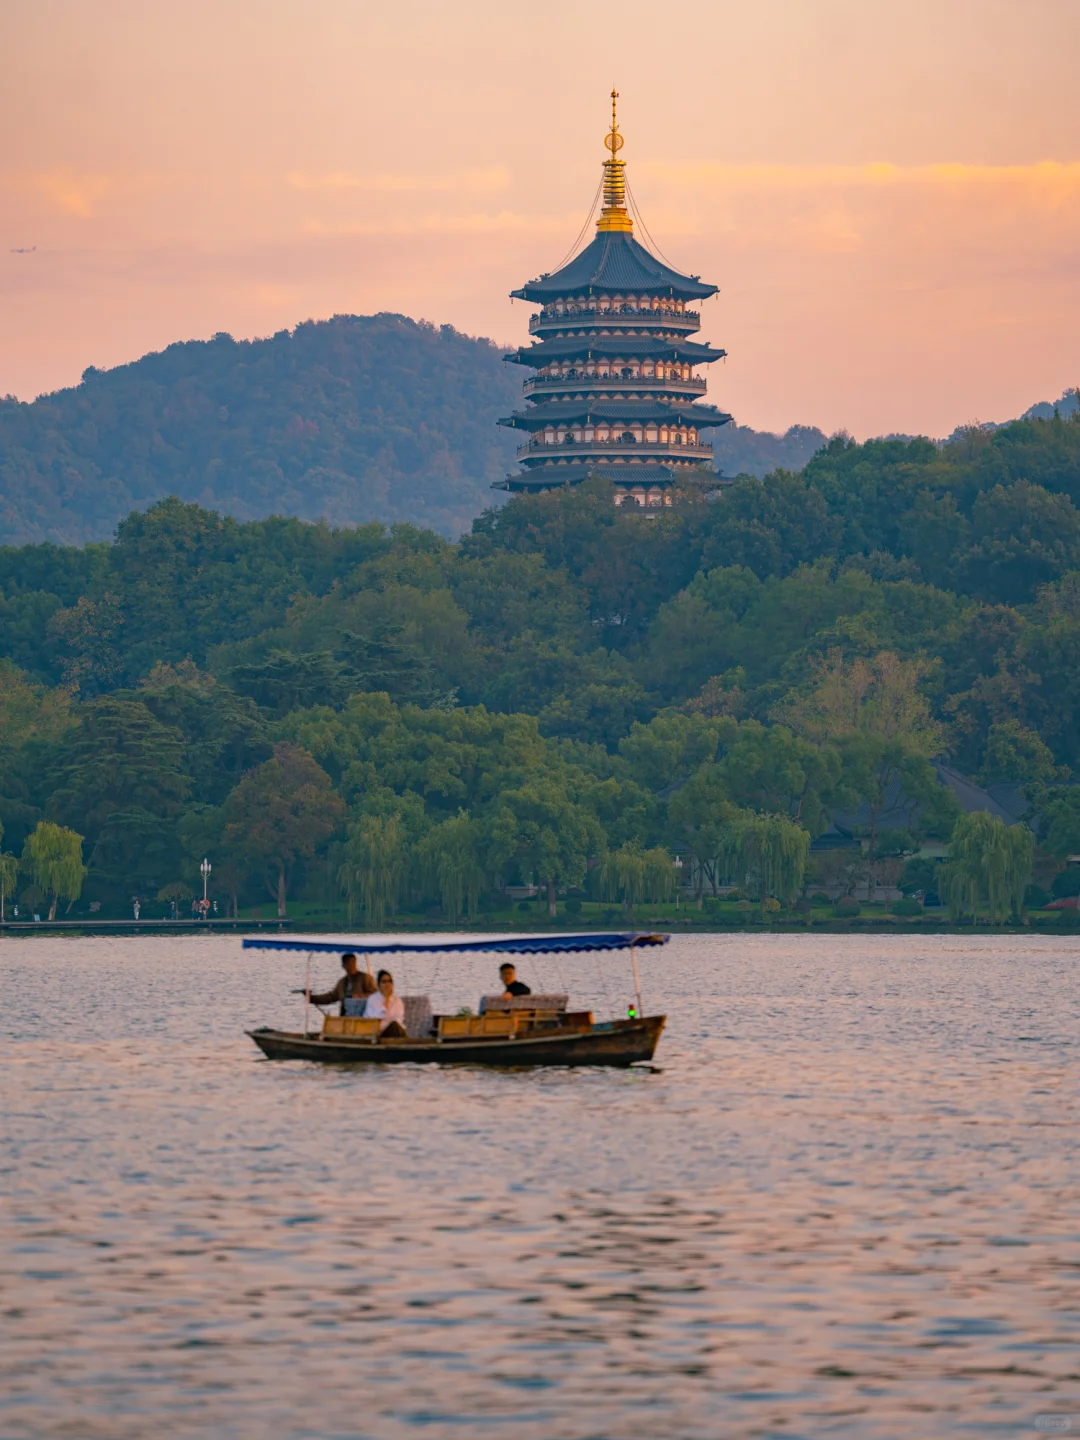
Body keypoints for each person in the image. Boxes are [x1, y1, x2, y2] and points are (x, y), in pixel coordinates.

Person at [307, 953, 376, 1016]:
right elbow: (330, 997)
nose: (351, 965)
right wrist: (311, 998)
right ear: (343, 965)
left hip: (363, 1019)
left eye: (353, 962)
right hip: (345, 1019)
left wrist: (359, 996)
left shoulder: (365, 978)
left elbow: (376, 996)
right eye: (348, 963)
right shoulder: (342, 983)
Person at [364, 969, 407, 1036]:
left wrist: (389, 1022)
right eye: (384, 981)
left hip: (394, 1031)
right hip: (376, 1033)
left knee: (396, 1027)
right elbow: (377, 1019)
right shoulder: (373, 999)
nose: (387, 984)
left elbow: (399, 1019)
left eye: (390, 981)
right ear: (378, 985)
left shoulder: (397, 1000)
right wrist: (386, 1001)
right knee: (394, 1027)